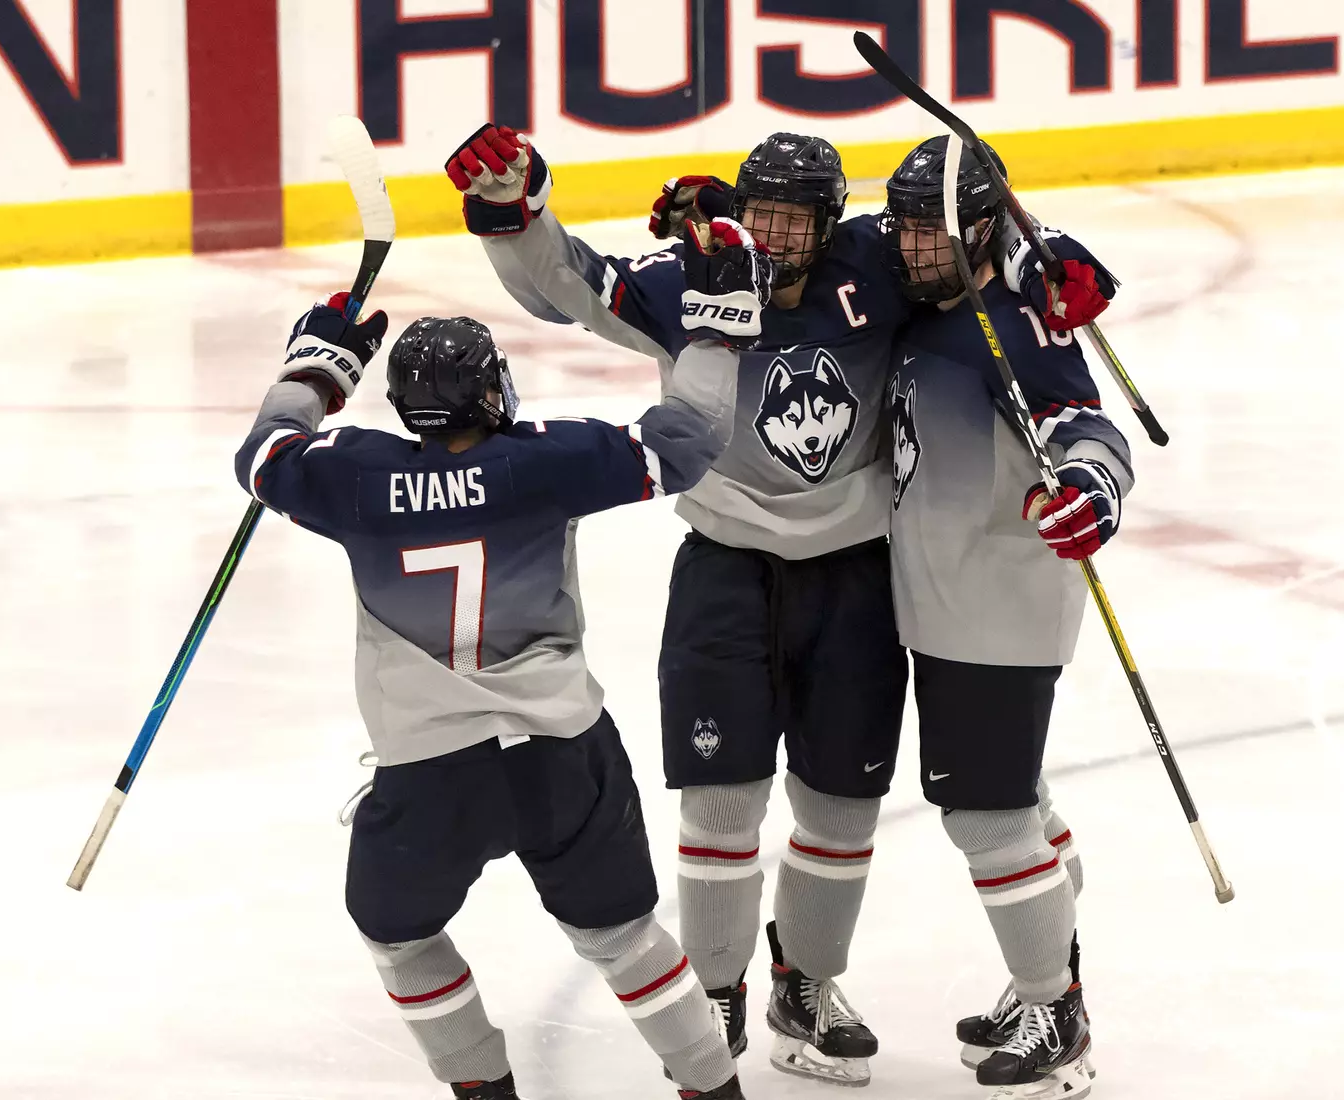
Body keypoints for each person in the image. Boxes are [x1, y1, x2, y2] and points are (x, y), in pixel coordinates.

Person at [230, 216, 772, 1100]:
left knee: (402, 939)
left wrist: (313, 372)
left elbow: (264, 457)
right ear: (493, 395)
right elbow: (687, 443)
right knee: (626, 939)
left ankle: (486, 1094)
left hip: (426, 774)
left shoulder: (354, 478)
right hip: (563, 754)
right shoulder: (547, 463)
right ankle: (715, 1091)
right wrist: (712, 331)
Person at [445, 123, 913, 1087]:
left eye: (797, 218)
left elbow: (968, 259)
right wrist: (512, 213)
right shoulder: (697, 274)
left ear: (832, 221)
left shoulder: (880, 265)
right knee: (720, 798)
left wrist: (1047, 267)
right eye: (763, 214)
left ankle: (807, 985)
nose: (776, 238)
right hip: (726, 570)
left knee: (841, 804)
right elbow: (565, 286)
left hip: (856, 574)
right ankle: (718, 990)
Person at [879, 135, 1132, 1100]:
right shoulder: (939, 293)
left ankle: (1053, 1011)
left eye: (929, 231)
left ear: (981, 230)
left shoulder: (1013, 324)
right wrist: (1042, 244)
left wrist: (1091, 487)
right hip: (954, 598)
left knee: (986, 813)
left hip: (997, 598)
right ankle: (1048, 977)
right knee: (1012, 801)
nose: (910, 246)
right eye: (902, 227)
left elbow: (1083, 423)